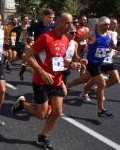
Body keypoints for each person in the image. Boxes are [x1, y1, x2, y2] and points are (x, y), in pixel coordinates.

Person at [11, 11, 81, 150]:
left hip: (56, 81)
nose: (70, 26)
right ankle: (23, 103)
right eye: (67, 22)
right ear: (58, 23)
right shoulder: (45, 37)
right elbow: (28, 56)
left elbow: (60, 61)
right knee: (41, 115)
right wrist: (42, 72)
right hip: (41, 81)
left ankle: (42, 137)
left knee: (57, 111)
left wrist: (71, 64)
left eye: (71, 22)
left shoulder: (66, 40)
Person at [19, 9, 55, 79]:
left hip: (48, 51)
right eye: (49, 17)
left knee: (44, 70)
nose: (51, 19)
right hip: (37, 50)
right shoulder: (37, 25)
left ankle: (24, 69)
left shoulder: (53, 26)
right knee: (40, 70)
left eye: (52, 18)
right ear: (44, 16)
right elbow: (24, 33)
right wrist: (26, 44)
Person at [8, 14, 34, 80]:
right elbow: (10, 31)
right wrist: (10, 39)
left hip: (26, 46)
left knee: (16, 58)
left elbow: (32, 36)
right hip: (19, 46)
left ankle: (9, 62)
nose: (27, 21)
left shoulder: (29, 29)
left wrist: (32, 38)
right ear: (22, 20)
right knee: (25, 57)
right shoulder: (18, 28)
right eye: (25, 19)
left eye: (27, 19)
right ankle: (22, 70)